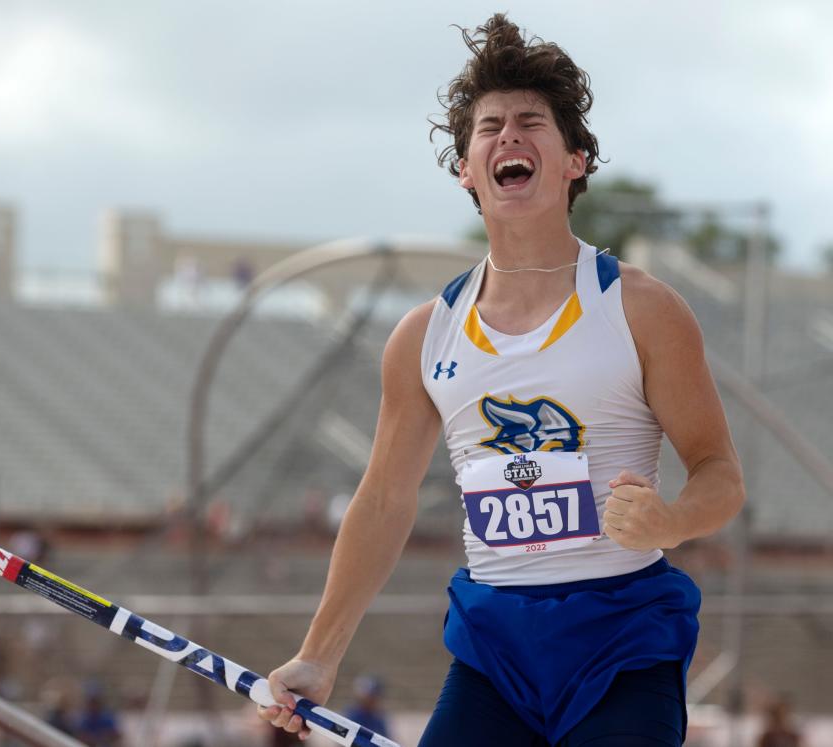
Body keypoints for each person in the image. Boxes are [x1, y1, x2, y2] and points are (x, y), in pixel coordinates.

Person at [258, 14, 745, 745]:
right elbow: (385, 499)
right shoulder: (424, 334)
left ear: (575, 160)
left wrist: (671, 519)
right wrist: (318, 655)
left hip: (622, 637)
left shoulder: (640, 306)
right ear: (466, 169)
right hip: (496, 646)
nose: (508, 137)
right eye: (489, 128)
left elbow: (721, 475)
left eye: (530, 123)